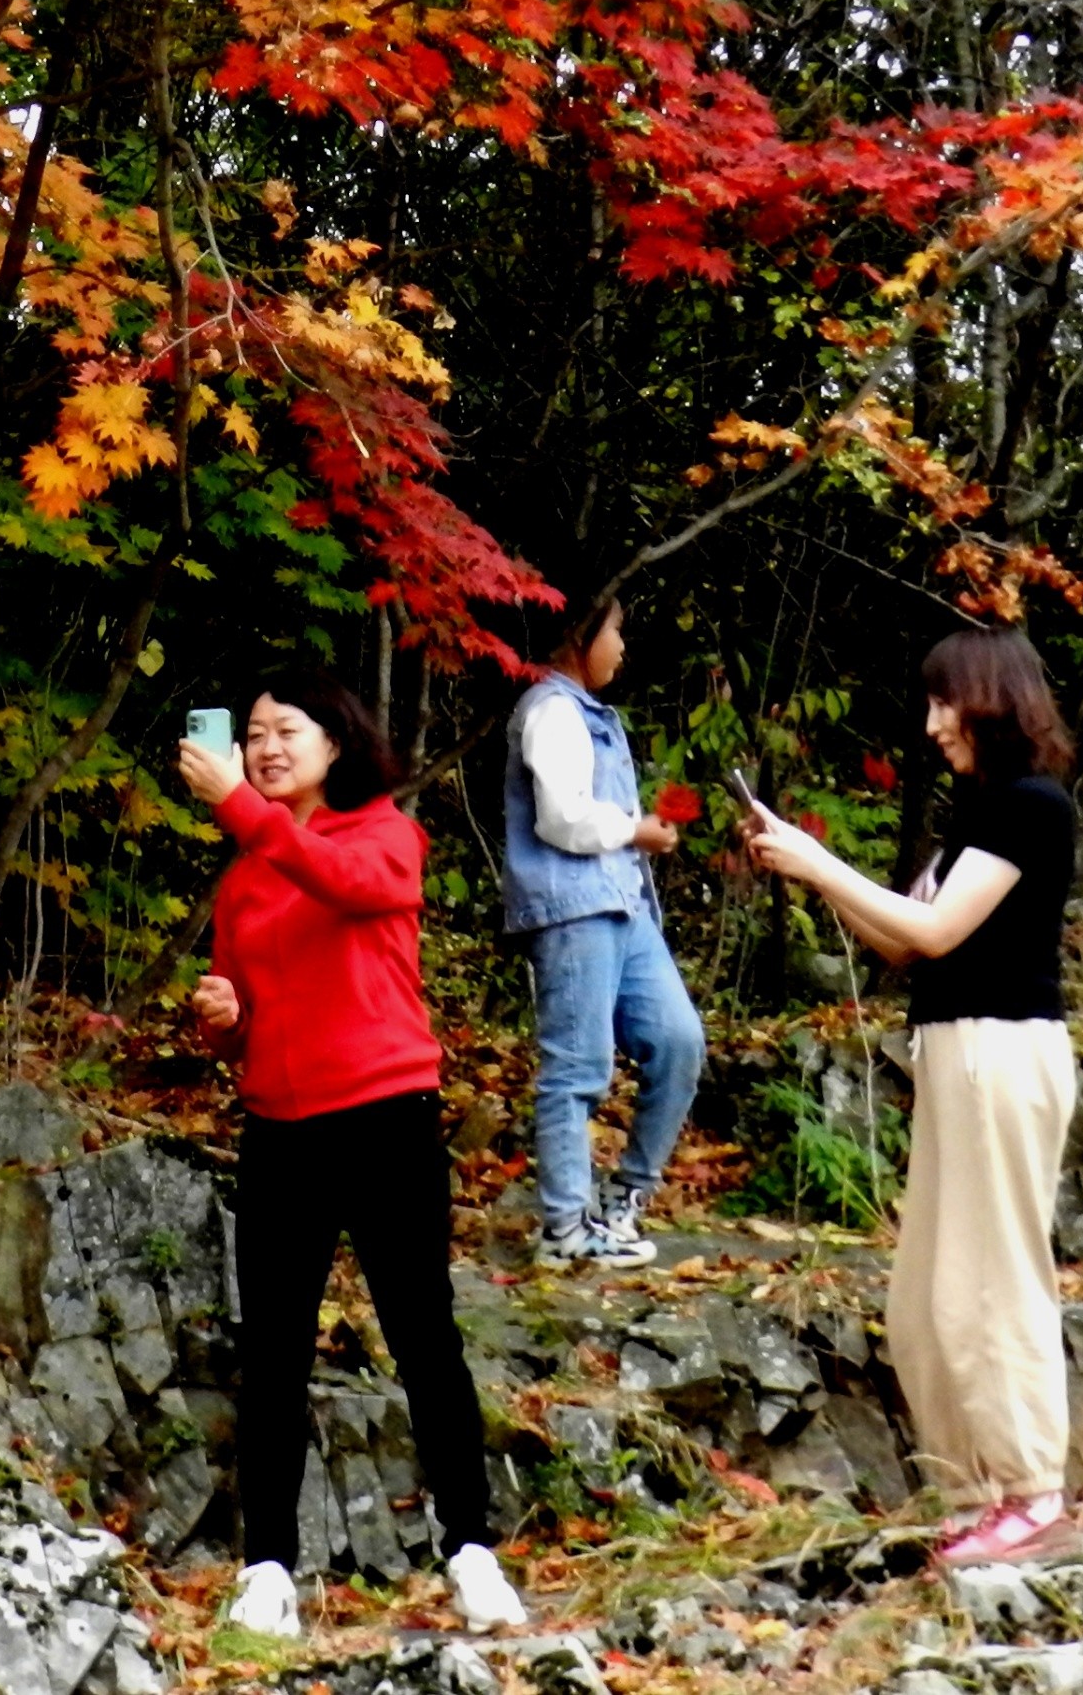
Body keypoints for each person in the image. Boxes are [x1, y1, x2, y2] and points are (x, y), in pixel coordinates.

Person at [182, 675, 526, 1644]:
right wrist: (224, 1018)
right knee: (275, 1349)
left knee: (423, 1333)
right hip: (279, 1125)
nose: (265, 747)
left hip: (385, 1113)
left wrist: (244, 811)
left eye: (286, 729)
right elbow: (241, 1021)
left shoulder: (382, 832)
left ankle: (470, 1548)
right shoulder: (245, 871)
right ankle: (267, 1568)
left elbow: (352, 887)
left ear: (337, 743)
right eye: (251, 734)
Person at [745, 626, 1080, 1566]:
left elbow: (934, 930)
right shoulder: (977, 813)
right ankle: (978, 1490)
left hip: (1000, 1055)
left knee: (994, 1284)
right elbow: (901, 945)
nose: (931, 722)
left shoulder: (1029, 806)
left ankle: (1032, 1491)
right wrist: (809, 876)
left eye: (946, 702)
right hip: (953, 1055)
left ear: (991, 701)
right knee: (927, 1294)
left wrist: (819, 863)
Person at [503, 591, 704, 1267]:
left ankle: (624, 1202)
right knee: (577, 1066)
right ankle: (564, 1228)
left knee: (677, 1041)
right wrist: (634, 830)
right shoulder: (551, 709)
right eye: (615, 629)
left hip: (621, 903)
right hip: (571, 909)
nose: (621, 646)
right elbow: (561, 816)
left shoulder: (588, 712)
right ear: (578, 635)